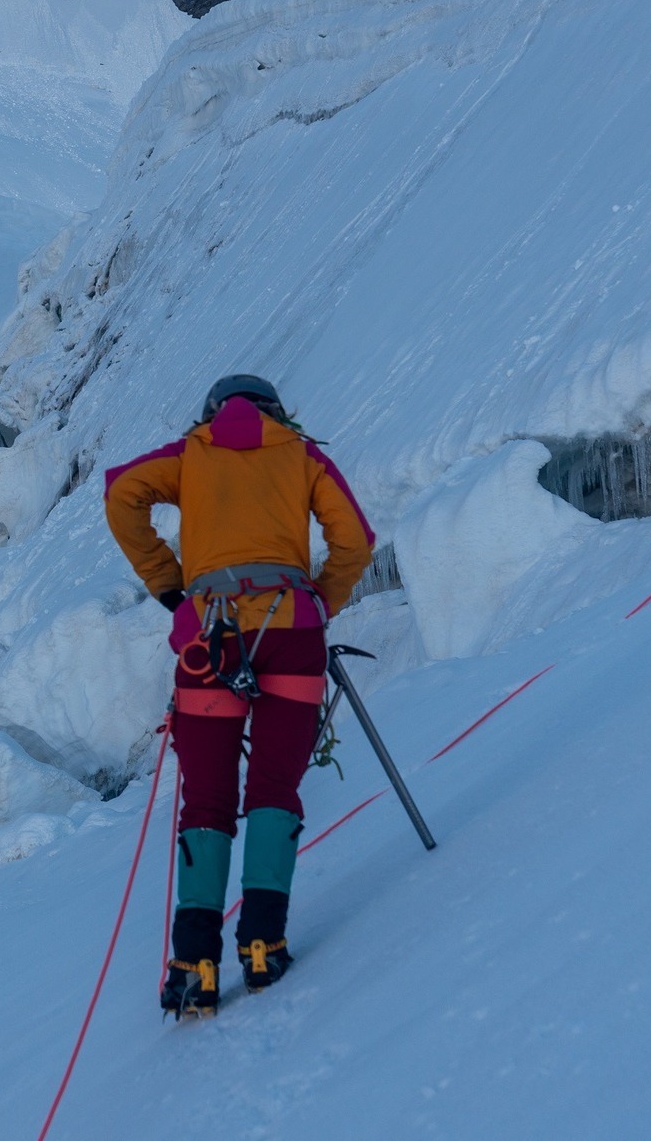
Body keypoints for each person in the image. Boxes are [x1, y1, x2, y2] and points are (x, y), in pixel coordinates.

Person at [104, 374, 374, 1018]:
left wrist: (172, 590)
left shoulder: (189, 453)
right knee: (275, 786)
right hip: (292, 633)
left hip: (210, 637)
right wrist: (319, 601)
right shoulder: (302, 455)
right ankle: (263, 944)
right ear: (281, 412)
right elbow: (355, 542)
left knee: (207, 796)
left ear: (212, 412)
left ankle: (193, 965)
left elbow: (122, 494)